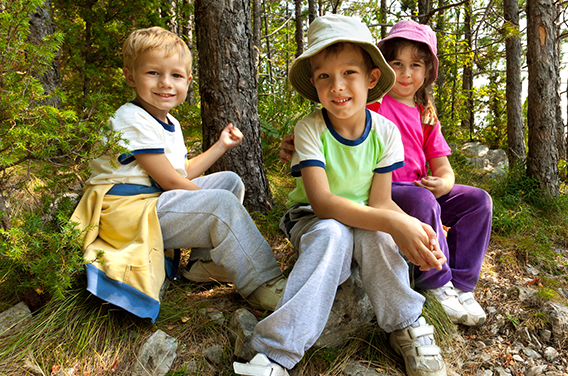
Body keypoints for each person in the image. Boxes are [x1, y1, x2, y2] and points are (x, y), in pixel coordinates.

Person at [233, 14, 448, 376]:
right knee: (335, 232)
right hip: (314, 219)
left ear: (372, 78)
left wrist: (406, 225)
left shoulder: (385, 132)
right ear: (314, 84)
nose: (337, 86)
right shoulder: (310, 129)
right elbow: (323, 203)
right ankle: (274, 351)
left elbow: (379, 202)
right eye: (324, 77)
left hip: (365, 215)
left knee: (379, 234)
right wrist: (397, 221)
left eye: (349, 73)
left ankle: (406, 324)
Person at [280, 20, 493, 326]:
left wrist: (444, 182)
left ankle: (462, 283)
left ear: (427, 72)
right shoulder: (375, 105)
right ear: (380, 72)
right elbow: (340, 127)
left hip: (421, 188)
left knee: (478, 201)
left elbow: (443, 165)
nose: (406, 74)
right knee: (421, 200)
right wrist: (298, 143)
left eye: (416, 65)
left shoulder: (426, 115)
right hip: (392, 189)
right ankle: (436, 280)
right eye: (398, 64)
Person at [70, 26, 286, 323]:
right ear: (131, 76)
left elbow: (181, 171)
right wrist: (219, 205)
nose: (165, 83)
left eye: (175, 75)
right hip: (131, 214)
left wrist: (221, 146)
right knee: (221, 203)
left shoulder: (169, 121)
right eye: (153, 73)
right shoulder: (131, 118)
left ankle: (202, 264)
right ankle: (262, 283)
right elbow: (171, 181)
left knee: (229, 181)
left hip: (153, 201)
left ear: (187, 81)